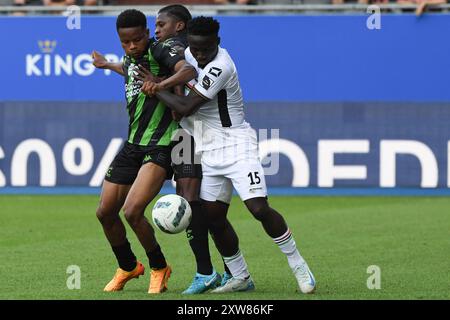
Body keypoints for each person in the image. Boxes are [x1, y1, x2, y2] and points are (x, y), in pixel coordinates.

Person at [141, 16, 316, 294]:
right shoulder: (186, 55)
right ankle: (240, 276)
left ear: (217, 43)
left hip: (236, 145)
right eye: (195, 50)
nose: (199, 55)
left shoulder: (221, 65)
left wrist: (156, 87)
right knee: (213, 217)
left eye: (205, 50)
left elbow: (186, 107)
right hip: (205, 147)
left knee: (258, 208)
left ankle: (298, 264)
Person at [92, 6, 233, 295]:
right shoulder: (130, 59)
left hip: (163, 144)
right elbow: (129, 71)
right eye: (125, 42)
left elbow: (186, 69)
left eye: (137, 39)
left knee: (133, 211)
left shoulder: (160, 51)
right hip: (133, 143)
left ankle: (159, 267)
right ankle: (129, 266)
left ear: (146, 34)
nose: (132, 46)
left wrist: (160, 85)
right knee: (105, 212)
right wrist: (108, 65)